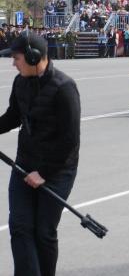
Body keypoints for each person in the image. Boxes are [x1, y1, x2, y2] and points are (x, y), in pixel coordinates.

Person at [0, 32, 81, 276]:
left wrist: (44, 172)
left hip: (58, 169)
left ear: (35, 58)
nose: (13, 63)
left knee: (44, 232)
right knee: (20, 226)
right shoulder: (20, 82)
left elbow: (70, 141)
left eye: (16, 58)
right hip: (25, 162)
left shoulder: (65, 88)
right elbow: (13, 116)